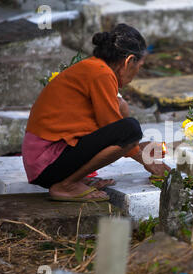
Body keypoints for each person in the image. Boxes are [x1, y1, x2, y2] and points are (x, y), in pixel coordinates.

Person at [22, 24, 169, 202]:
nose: (137, 72)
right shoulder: (101, 73)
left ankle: (76, 179)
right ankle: (66, 185)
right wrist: (146, 158)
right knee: (130, 129)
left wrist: (139, 147)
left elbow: (110, 127)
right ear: (129, 61)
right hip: (46, 164)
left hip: (45, 161)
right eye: (140, 65)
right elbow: (117, 132)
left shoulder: (95, 68)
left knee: (122, 109)